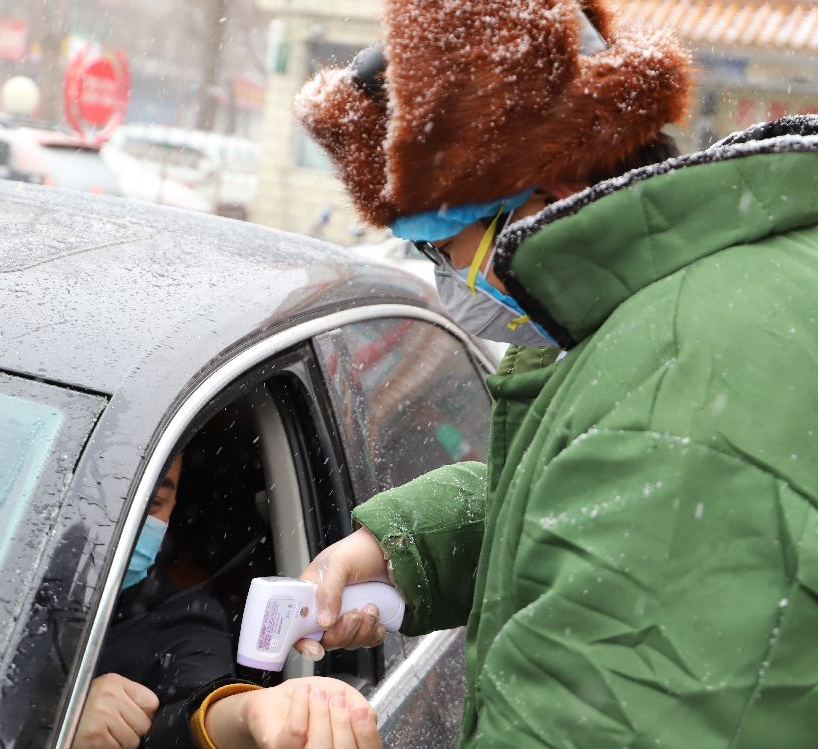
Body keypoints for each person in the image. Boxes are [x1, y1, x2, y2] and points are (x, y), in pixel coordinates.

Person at [284, 0, 818, 747]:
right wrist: (399, 548)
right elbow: (587, 484)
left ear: (547, 194)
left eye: (444, 244)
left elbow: (595, 709)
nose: (445, 280)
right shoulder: (662, 310)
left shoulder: (672, 382)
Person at [75, 455, 381, 749]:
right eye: (100, 496)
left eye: (154, 503)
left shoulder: (186, 619)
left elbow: (194, 707)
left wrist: (248, 713)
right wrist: (59, 711)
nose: (125, 520)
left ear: (173, 506)